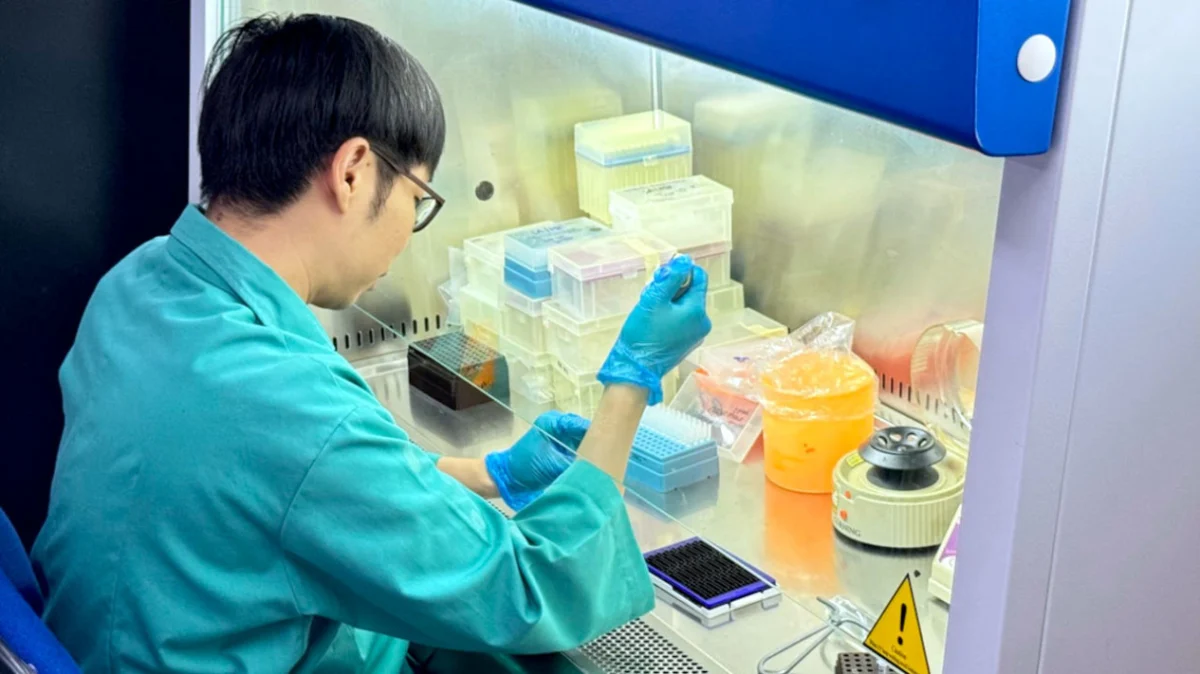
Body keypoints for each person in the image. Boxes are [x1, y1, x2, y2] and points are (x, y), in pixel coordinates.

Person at [30, 14, 711, 674]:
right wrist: (630, 380)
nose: (410, 229)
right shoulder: (287, 406)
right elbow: (535, 590)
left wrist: (488, 473)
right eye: (418, 200)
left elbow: (288, 493)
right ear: (353, 170)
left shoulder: (138, 285)